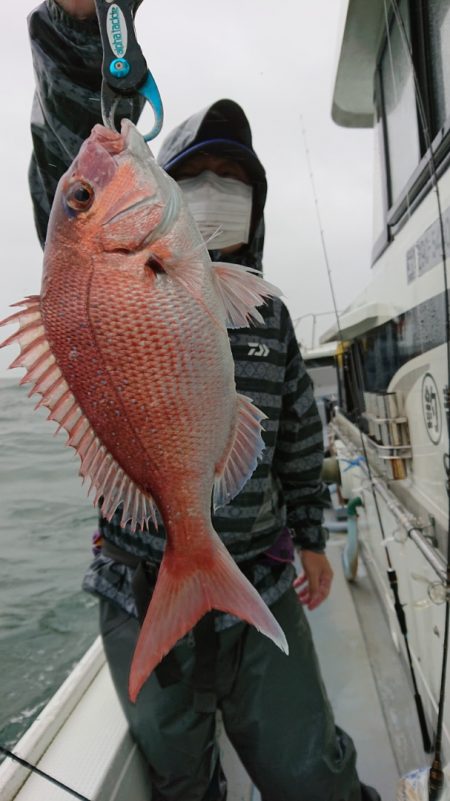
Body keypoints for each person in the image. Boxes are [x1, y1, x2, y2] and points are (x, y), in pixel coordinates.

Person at [27, 2, 380, 800]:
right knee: (181, 780)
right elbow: (69, 170)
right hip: (137, 580)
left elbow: (294, 434)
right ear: (171, 185)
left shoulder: (267, 311)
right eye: (202, 176)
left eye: (238, 181)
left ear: (257, 204)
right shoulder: (107, 254)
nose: (218, 191)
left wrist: (313, 538)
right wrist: (79, 32)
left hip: (260, 569)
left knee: (309, 774)